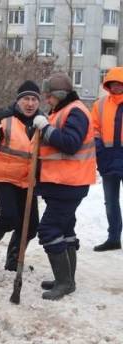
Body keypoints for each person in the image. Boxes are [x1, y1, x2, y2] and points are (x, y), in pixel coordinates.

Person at [33, 72, 96, 300]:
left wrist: (46, 129)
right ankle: (67, 279)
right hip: (62, 182)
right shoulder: (61, 111)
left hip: (69, 183)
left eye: (49, 96)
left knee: (48, 230)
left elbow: (70, 144)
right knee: (65, 229)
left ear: (59, 95)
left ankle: (64, 282)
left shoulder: (76, 111)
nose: (46, 100)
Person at [0, 80, 41, 271]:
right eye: (26, 99)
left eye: (34, 100)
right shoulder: (5, 118)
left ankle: (12, 261)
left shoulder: (41, 123)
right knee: (10, 216)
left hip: (27, 180)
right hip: (5, 177)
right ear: (18, 101)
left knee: (31, 225)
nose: (30, 104)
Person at [92, 67, 123, 252]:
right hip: (108, 157)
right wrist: (99, 149)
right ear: (108, 85)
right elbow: (94, 128)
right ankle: (113, 238)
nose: (116, 87)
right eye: (113, 84)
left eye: (120, 84)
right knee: (110, 202)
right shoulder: (100, 104)